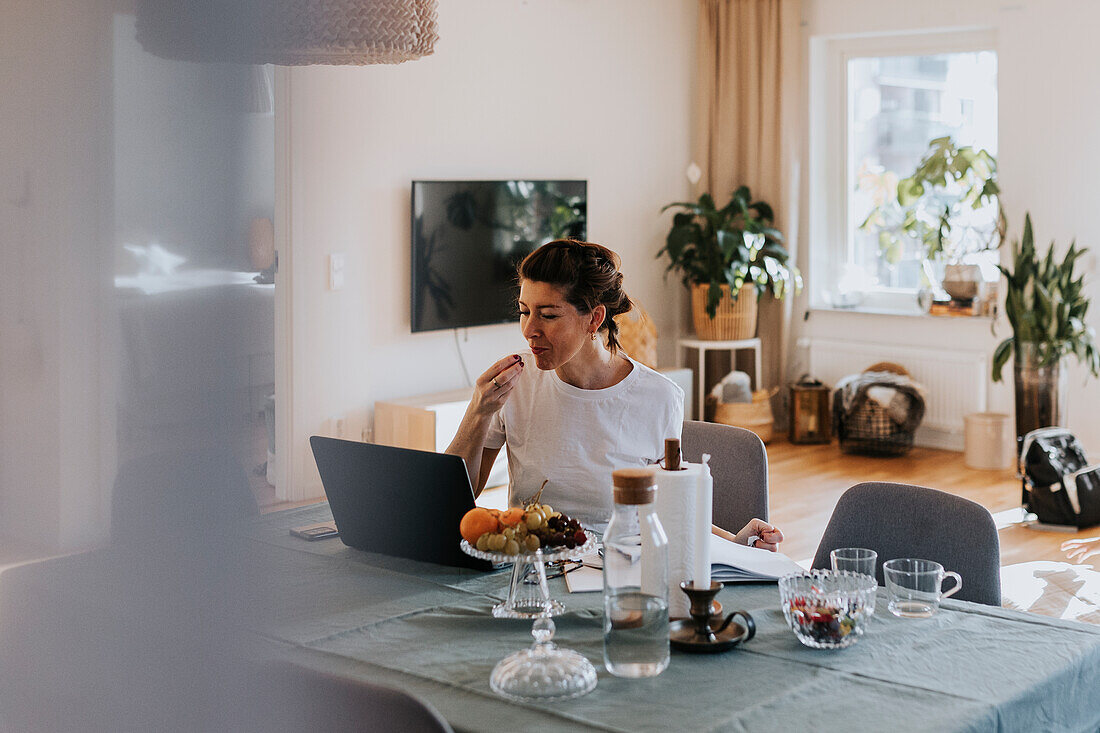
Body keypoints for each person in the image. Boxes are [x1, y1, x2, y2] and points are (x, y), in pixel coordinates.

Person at [446, 239, 783, 550]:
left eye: (548, 315)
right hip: (533, 573)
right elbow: (455, 496)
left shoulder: (658, 398)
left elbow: (669, 511)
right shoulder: (515, 382)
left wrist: (738, 543)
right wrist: (478, 411)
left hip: (619, 577)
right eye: (524, 311)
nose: (529, 329)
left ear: (594, 319)